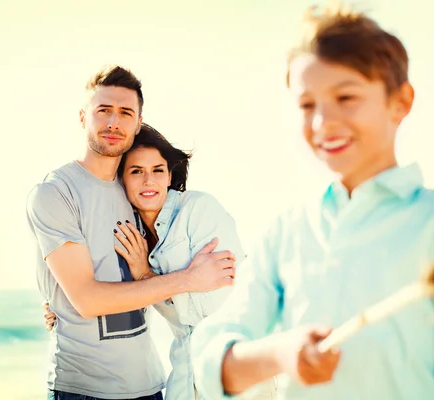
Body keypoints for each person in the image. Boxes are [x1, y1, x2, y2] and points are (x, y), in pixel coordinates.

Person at [191, 3, 434, 399]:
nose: (323, 122)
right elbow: (211, 366)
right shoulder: (287, 231)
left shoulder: (428, 221)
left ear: (400, 102)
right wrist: (282, 354)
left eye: (346, 97)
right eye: (308, 105)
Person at [27, 65, 238, 400]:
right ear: (83, 117)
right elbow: (86, 299)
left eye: (125, 113)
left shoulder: (136, 193)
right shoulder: (57, 192)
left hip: (151, 386)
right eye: (104, 111)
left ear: (138, 123)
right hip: (83, 390)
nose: (114, 122)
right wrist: (189, 278)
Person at [46, 124, 275, 399]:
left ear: (169, 175)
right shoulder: (132, 235)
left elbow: (214, 307)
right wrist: (61, 306)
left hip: (236, 377)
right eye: (136, 171)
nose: (148, 181)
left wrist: (147, 277)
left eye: (157, 170)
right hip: (182, 380)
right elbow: (111, 291)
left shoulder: (200, 211)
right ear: (122, 179)